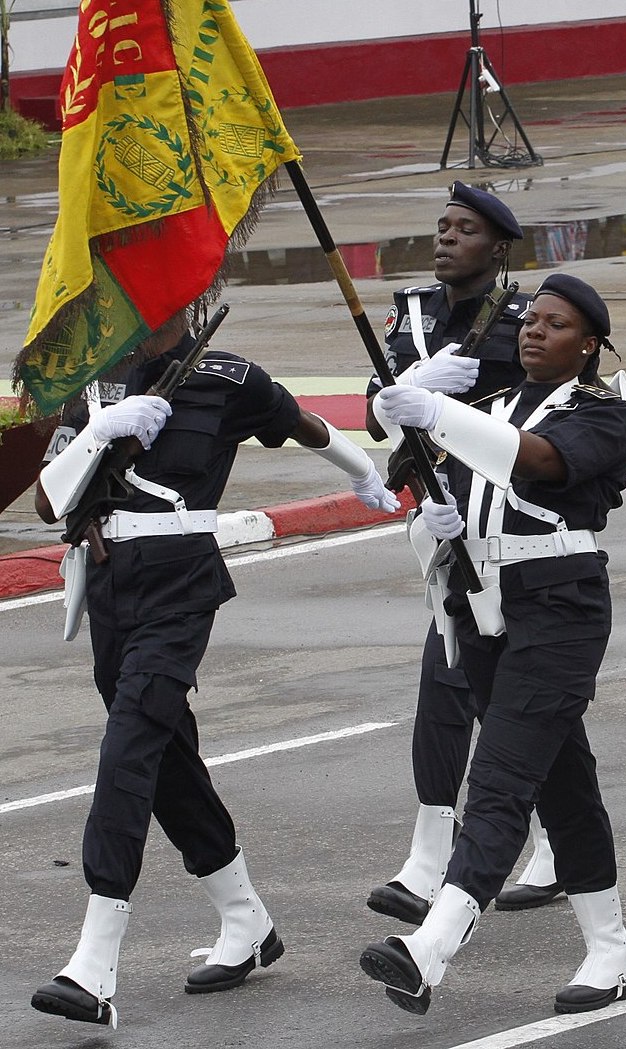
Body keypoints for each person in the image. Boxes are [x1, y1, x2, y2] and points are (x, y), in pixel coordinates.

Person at [29, 308, 402, 1027]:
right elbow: (49, 501)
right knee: (166, 755)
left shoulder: (226, 378)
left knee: (129, 748)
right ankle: (246, 919)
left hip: (180, 582)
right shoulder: (95, 389)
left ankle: (93, 964)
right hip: (109, 587)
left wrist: (363, 474)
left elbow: (299, 422)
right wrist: (102, 432)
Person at [364, 183, 626, 927]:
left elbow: (571, 414)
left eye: (464, 229)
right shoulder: (412, 312)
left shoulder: (519, 319)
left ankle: (453, 893)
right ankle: (437, 851)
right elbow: (389, 414)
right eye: (441, 226)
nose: (446, 239)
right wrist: (410, 391)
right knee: (471, 699)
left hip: (537, 530)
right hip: (459, 523)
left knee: (514, 730)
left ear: (498, 247)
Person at [360, 273, 626, 1016]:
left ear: (588, 346)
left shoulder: (603, 413)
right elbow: (438, 485)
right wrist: (435, 522)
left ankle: (430, 948)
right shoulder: (491, 405)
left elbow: (541, 462)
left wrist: (437, 414)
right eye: (531, 321)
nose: (533, 332)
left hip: (560, 609)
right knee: (562, 784)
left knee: (499, 778)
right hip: (482, 606)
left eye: (555, 325)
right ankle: (612, 951)